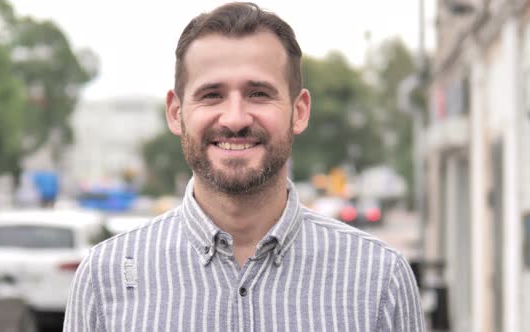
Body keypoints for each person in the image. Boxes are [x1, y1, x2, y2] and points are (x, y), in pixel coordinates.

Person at [63, 2, 424, 331]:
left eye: (258, 94)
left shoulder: (379, 279)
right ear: (176, 113)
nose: (234, 119)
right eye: (211, 95)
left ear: (299, 112)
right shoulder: (104, 277)